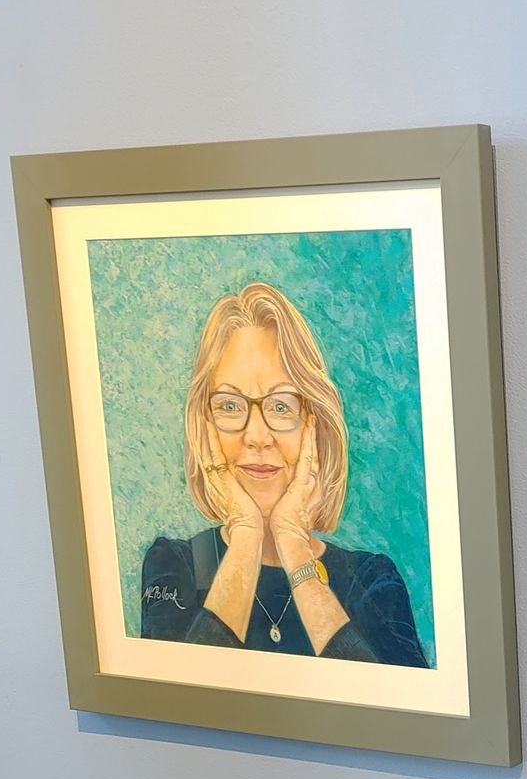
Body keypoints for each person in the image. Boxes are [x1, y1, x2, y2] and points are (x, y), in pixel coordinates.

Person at [139, 281, 429, 667]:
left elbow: (397, 717)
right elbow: (181, 703)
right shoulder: (173, 566)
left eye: (280, 406)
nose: (257, 436)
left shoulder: (373, 582)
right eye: (229, 405)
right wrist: (245, 535)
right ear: (204, 424)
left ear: (315, 424)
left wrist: (293, 543)